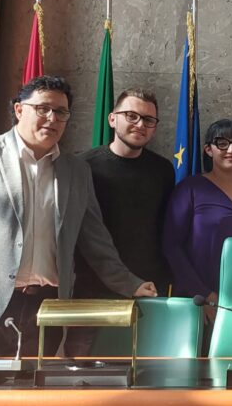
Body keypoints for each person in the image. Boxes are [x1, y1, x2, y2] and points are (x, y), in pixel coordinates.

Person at [0, 76, 157, 358]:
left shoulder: (76, 170)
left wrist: (130, 283)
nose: (52, 119)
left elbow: (95, 239)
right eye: (43, 109)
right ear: (19, 110)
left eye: (61, 112)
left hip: (47, 307)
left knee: (37, 385)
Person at [65, 88, 174, 357]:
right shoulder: (83, 166)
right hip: (92, 295)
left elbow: (163, 229)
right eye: (131, 116)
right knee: (83, 374)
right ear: (112, 119)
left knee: (148, 373)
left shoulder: (163, 170)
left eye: (148, 119)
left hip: (147, 292)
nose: (140, 124)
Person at [162, 119, 232, 341]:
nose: (231, 150)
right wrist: (204, 295)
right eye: (222, 143)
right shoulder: (190, 189)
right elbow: (172, 246)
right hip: (200, 302)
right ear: (209, 149)